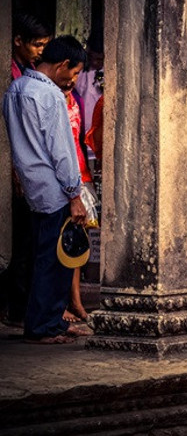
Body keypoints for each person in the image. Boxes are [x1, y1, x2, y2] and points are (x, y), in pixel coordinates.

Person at [2, 35, 91, 344]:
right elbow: (62, 151)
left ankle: (50, 321)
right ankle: (43, 326)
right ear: (62, 65)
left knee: (43, 256)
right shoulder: (50, 95)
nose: (73, 80)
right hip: (54, 187)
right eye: (74, 72)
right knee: (55, 260)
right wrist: (75, 194)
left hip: (32, 185)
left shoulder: (15, 90)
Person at [0, 14, 52, 327]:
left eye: (44, 45)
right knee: (19, 242)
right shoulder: (10, 75)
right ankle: (16, 308)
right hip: (17, 166)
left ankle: (22, 306)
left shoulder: (30, 73)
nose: (40, 51)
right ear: (18, 40)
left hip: (29, 168)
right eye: (37, 44)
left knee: (28, 241)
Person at [62, 88, 94, 323]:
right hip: (60, 177)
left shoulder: (77, 100)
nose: (73, 80)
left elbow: (80, 139)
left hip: (80, 174)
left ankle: (75, 300)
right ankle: (59, 303)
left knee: (76, 242)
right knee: (56, 243)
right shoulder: (50, 98)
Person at [73, 28, 104, 163]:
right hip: (81, 136)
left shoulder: (109, 73)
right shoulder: (79, 72)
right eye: (91, 58)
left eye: (99, 59)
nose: (95, 62)